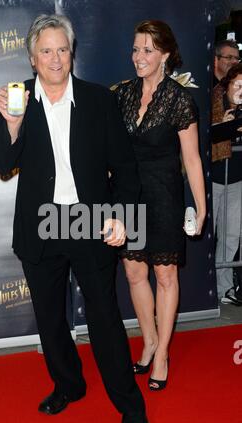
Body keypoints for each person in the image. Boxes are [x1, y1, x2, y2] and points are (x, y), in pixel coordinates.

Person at [0, 14, 148, 423]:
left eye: (63, 49)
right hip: (41, 224)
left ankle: (129, 404)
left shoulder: (99, 101)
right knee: (50, 318)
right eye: (46, 50)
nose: (56, 58)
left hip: (90, 220)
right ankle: (68, 385)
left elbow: (126, 169)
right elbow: (3, 165)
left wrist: (121, 215)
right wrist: (12, 126)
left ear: (72, 52)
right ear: (32, 57)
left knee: (105, 319)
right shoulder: (18, 100)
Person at [114, 20, 206, 390]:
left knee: (165, 276)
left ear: (165, 54)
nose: (139, 57)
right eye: (136, 49)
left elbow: (194, 159)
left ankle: (163, 352)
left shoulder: (180, 99)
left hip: (164, 195)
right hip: (127, 196)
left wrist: (200, 209)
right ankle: (149, 340)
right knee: (135, 274)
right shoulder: (122, 95)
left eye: (148, 50)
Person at [211, 63, 242, 304]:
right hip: (213, 179)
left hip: (237, 180)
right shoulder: (213, 100)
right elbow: (204, 135)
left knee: (231, 235)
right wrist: (222, 124)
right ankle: (204, 288)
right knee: (207, 234)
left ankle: (224, 289)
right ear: (228, 83)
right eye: (238, 84)